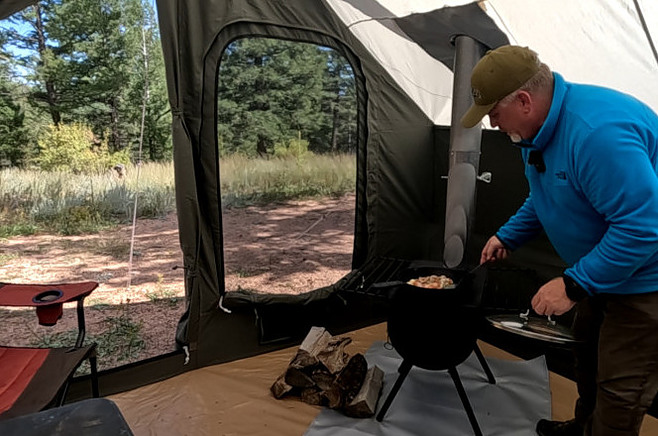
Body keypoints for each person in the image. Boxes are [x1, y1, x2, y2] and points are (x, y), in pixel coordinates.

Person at [461, 45, 658, 436]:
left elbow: (644, 227)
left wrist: (573, 283)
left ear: (523, 100)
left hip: (645, 282)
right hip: (604, 272)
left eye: (494, 115)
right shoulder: (534, 134)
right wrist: (508, 235)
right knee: (587, 359)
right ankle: (581, 428)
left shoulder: (595, 134)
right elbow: (546, 194)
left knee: (620, 389)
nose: (494, 125)